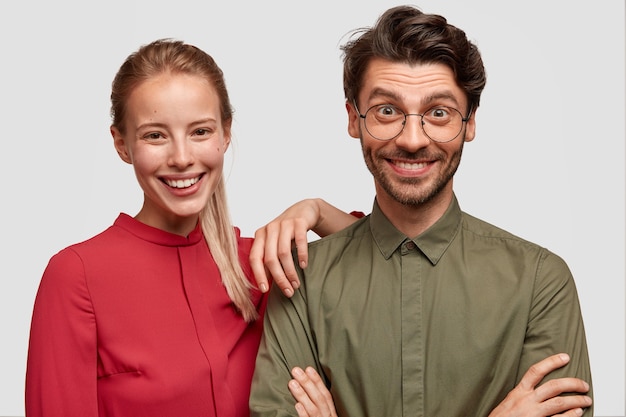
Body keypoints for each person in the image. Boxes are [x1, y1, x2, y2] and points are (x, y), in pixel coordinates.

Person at [249, 5, 593, 417]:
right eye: (387, 110)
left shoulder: (541, 282)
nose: (413, 139)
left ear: (469, 123)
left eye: (438, 113)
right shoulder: (299, 282)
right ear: (353, 119)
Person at [24, 38, 352, 417]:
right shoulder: (77, 276)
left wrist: (318, 210)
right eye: (155, 135)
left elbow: (387, 253)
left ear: (226, 133)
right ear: (122, 144)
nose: (181, 158)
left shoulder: (260, 264)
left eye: (200, 131)